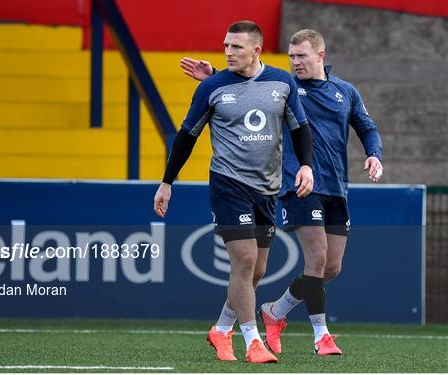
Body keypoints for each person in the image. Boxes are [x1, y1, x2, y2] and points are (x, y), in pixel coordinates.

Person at [180, 29, 383, 356]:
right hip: (297, 185)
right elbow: (247, 91)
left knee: (331, 268)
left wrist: (374, 154)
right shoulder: (285, 88)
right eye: (291, 56)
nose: (295, 62)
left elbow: (366, 127)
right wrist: (215, 77)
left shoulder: (345, 91)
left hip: (336, 189)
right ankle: (321, 336)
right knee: (313, 259)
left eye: (301, 56)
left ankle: (272, 312)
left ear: (320, 55)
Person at [153, 21, 314, 363]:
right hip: (228, 184)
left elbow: (300, 127)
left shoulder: (282, 82)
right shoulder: (212, 87)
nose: (228, 52)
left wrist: (306, 165)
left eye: (236, 47)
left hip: (268, 189)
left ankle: (221, 329)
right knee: (244, 261)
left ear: (256, 50)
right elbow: (186, 136)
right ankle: (253, 341)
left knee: (257, 272)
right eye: (226, 45)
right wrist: (167, 181)